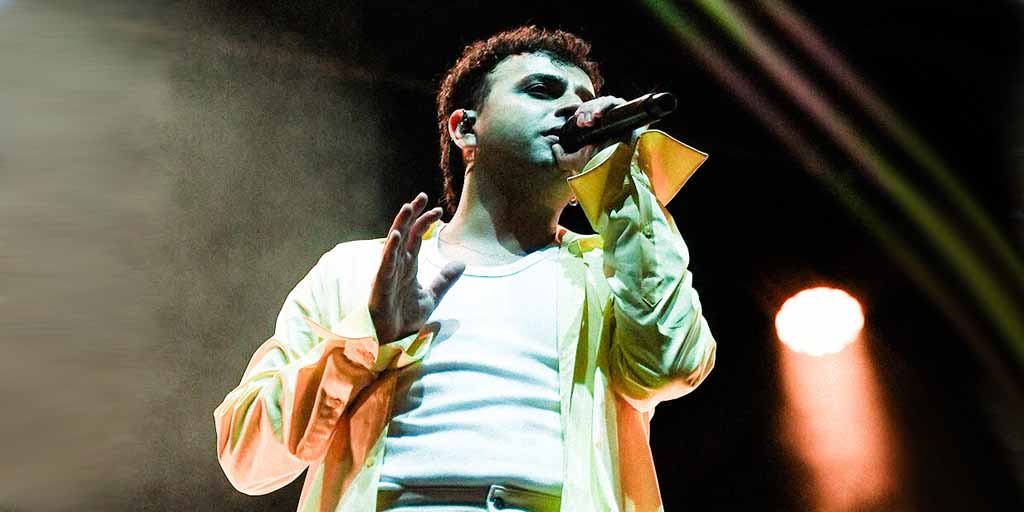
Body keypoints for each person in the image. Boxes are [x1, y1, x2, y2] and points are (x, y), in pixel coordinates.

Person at [214, 25, 716, 512]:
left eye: (584, 99)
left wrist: (621, 179)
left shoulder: (610, 271)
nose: (573, 109)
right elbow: (247, 456)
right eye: (541, 90)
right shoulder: (359, 271)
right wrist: (369, 338)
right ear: (465, 127)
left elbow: (671, 367)